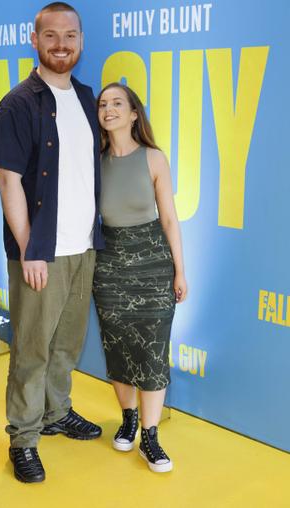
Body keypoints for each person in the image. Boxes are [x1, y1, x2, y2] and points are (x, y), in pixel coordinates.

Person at [0, 2, 104, 483]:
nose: (62, 44)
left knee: (65, 345)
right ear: (34, 40)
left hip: (84, 247)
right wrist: (30, 248)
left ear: (80, 39)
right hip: (42, 251)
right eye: (51, 35)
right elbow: (9, 181)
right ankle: (24, 437)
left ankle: (57, 413)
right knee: (32, 350)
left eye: (70, 35)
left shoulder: (84, 94)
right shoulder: (17, 103)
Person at [93, 82, 187, 473]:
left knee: (151, 348)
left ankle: (150, 436)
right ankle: (128, 418)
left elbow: (168, 217)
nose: (109, 109)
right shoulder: (93, 161)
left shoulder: (153, 158)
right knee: (117, 345)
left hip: (152, 261)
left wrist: (180, 269)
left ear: (134, 114)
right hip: (109, 261)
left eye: (118, 103)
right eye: (103, 104)